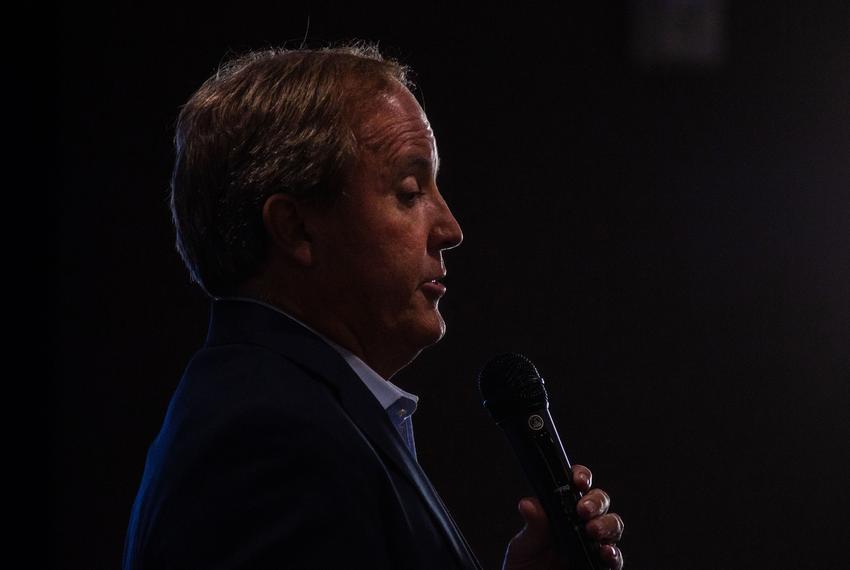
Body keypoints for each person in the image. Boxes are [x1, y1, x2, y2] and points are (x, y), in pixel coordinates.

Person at [122, 43, 624, 569]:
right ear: (296, 228)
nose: (450, 229)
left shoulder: (282, 407)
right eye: (409, 191)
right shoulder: (275, 441)